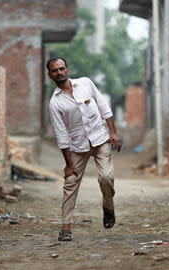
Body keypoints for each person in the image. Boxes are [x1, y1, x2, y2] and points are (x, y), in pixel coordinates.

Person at [47, 57, 122, 241]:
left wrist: (113, 132)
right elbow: (61, 135)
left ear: (68, 69)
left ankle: (108, 208)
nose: (59, 73)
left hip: (100, 140)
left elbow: (104, 107)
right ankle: (66, 226)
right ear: (50, 75)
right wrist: (68, 164)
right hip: (79, 146)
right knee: (70, 182)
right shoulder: (55, 103)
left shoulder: (86, 84)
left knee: (106, 177)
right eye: (55, 71)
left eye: (62, 69)